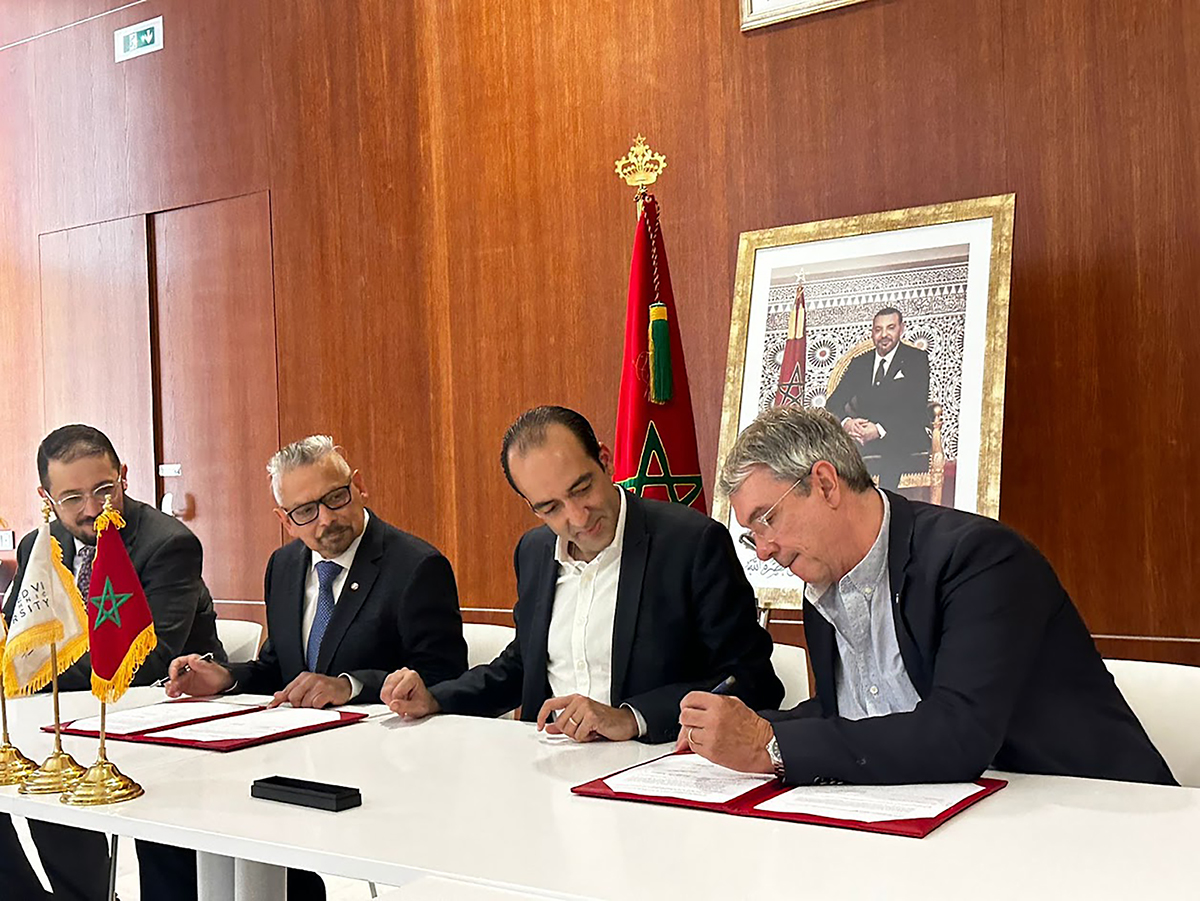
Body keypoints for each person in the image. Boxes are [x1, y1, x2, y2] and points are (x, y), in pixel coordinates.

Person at [677, 405, 1175, 787]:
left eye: (767, 519)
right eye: (750, 534)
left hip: (1099, 819)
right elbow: (853, 716)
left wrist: (771, 744)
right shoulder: (821, 585)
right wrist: (741, 727)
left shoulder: (979, 558)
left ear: (825, 483)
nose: (763, 551)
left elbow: (958, 732)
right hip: (956, 822)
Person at [165, 434, 467, 901]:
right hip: (290, 758)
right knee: (181, 818)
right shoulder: (284, 566)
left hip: (379, 767)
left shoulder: (415, 566)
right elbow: (279, 668)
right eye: (305, 511)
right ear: (285, 521)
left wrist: (349, 686)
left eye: (335, 498)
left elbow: (444, 675)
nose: (326, 519)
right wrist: (225, 677)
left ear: (358, 486)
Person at [381, 405, 782, 743]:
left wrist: (630, 717)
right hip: (545, 769)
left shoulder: (691, 544)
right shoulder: (534, 551)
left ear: (605, 461)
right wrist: (436, 697)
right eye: (550, 507)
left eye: (581, 488)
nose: (576, 517)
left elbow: (750, 679)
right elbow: (522, 665)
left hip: (649, 768)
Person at [0, 424, 227, 901]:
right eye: (72, 497)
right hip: (62, 715)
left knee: (53, 769)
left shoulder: (168, 543)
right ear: (46, 497)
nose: (90, 509)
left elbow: (149, 659)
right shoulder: (39, 546)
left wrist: (37, 679)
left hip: (163, 711)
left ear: (124, 476)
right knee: (33, 774)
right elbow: (22, 640)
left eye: (104, 489)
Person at [824, 307, 930, 489]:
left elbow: (916, 407)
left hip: (902, 433)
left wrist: (879, 429)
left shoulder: (916, 359)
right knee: (839, 453)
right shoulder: (860, 363)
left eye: (890, 328)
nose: (884, 335)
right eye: (878, 329)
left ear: (901, 329)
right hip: (863, 437)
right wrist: (848, 423)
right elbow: (833, 403)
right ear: (872, 332)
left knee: (893, 448)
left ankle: (887, 508)